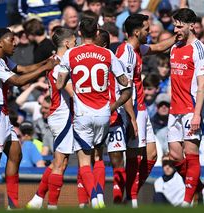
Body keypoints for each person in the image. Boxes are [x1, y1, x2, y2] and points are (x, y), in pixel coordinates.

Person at [0, 28, 58, 209]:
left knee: (16, 153)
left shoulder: (2, 59)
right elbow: (19, 81)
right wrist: (46, 68)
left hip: (1, 111)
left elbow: (22, 69)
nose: (15, 43)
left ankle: (12, 204)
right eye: (11, 39)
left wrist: (45, 62)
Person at [56, 17, 128, 209]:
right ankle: (101, 197)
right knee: (99, 156)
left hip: (82, 113)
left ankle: (95, 198)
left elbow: (59, 84)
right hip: (104, 113)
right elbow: (124, 82)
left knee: (84, 161)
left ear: (79, 33)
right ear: (97, 32)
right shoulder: (107, 54)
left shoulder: (70, 55)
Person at [116, 13, 176, 208]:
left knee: (151, 155)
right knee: (134, 156)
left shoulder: (137, 49)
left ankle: (129, 194)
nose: (149, 33)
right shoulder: (126, 53)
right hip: (132, 110)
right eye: (146, 30)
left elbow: (158, 48)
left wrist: (178, 37)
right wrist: (131, 118)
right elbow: (123, 89)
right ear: (136, 31)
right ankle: (131, 200)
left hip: (141, 109)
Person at [167, 8, 204, 207]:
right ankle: (203, 189)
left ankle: (187, 201)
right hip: (174, 109)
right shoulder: (174, 47)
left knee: (191, 154)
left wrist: (197, 115)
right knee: (175, 156)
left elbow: (202, 85)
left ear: (191, 26)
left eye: (179, 25)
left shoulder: (199, 49)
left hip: (191, 109)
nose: (175, 29)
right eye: (174, 25)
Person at [26, 27, 76, 209]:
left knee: (58, 161)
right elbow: (72, 93)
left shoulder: (56, 61)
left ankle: (38, 198)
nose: (76, 44)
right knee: (60, 164)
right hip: (61, 115)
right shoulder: (59, 66)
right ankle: (52, 206)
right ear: (67, 43)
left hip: (61, 115)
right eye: (75, 41)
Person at [94, 29, 131, 204]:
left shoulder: (115, 62)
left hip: (114, 118)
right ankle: (97, 200)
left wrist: (115, 108)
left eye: (94, 43)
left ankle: (117, 203)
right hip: (94, 117)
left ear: (103, 45)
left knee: (117, 162)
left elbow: (127, 89)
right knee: (96, 159)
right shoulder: (88, 62)